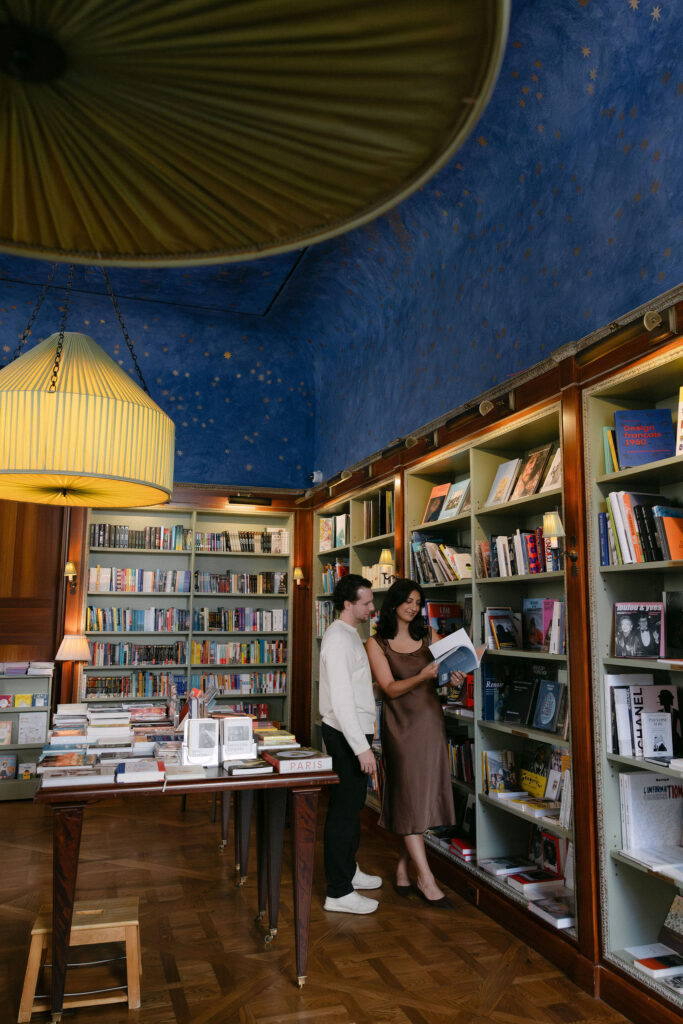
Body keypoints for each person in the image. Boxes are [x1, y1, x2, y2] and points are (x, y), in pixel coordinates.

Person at [366, 578, 461, 908]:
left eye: (418, 602)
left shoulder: (428, 636)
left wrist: (454, 675)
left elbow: (445, 675)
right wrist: (423, 676)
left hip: (430, 723)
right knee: (407, 796)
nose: (413, 607)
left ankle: (404, 870)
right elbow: (389, 689)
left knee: (421, 797)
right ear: (393, 603)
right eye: (408, 600)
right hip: (400, 727)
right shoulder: (377, 643)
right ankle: (427, 878)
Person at [319, 573, 382, 915]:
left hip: (352, 732)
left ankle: (349, 871)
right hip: (347, 736)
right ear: (348, 604)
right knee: (344, 811)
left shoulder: (349, 634)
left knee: (352, 806)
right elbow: (342, 701)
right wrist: (361, 748)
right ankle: (338, 891)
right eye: (367, 603)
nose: (373, 608)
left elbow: (352, 688)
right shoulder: (340, 639)